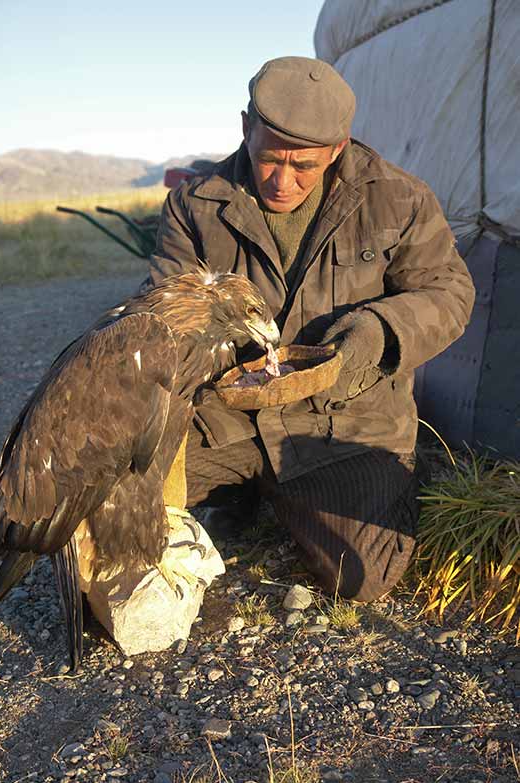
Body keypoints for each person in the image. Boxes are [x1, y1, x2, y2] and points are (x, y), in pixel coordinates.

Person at [142, 56, 475, 601]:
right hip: (227, 417)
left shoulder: (399, 200)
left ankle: (301, 493)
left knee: (362, 578)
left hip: (339, 425)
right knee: (118, 508)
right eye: (270, 158)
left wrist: (379, 328)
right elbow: (161, 313)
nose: (283, 180)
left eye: (306, 166)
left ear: (338, 148)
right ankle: (244, 493)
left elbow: (451, 293)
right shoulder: (194, 206)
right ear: (246, 126)